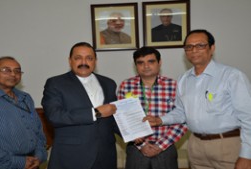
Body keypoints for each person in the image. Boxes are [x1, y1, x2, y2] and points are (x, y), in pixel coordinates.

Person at [144, 29, 251, 169]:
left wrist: (247, 155)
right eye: (189, 47)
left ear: (212, 48)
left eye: (200, 45)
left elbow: (248, 117)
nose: (194, 50)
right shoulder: (184, 79)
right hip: (196, 146)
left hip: (227, 145)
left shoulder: (232, 76)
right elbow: (181, 112)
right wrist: (160, 120)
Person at [41, 42, 120, 169]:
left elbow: (113, 117)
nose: (84, 62)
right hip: (72, 156)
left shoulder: (109, 83)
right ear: (69, 60)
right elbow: (54, 116)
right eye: (78, 58)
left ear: (95, 61)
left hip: (105, 155)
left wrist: (133, 133)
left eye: (89, 58)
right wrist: (96, 112)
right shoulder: (55, 83)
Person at [117, 47, 187, 169]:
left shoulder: (174, 85)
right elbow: (121, 119)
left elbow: (183, 119)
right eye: (140, 63)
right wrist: (142, 145)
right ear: (135, 65)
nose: (146, 66)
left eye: (151, 61)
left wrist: (161, 145)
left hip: (166, 147)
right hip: (136, 148)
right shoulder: (126, 86)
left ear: (159, 63)